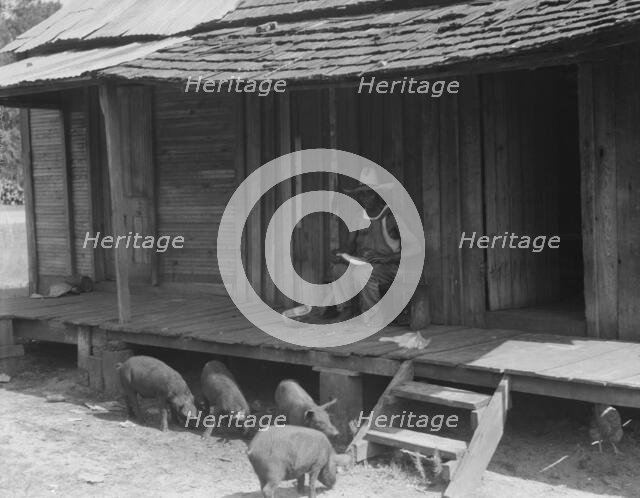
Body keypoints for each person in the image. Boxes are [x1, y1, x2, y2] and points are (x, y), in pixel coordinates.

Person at [324, 167, 406, 323]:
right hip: (365, 265)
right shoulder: (358, 217)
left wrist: (385, 258)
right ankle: (348, 310)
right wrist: (340, 254)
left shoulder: (390, 217)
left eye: (369, 193)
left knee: (362, 273)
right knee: (339, 269)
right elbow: (349, 245)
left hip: (390, 268)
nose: (365, 198)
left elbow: (415, 250)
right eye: (361, 194)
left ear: (378, 195)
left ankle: (373, 318)